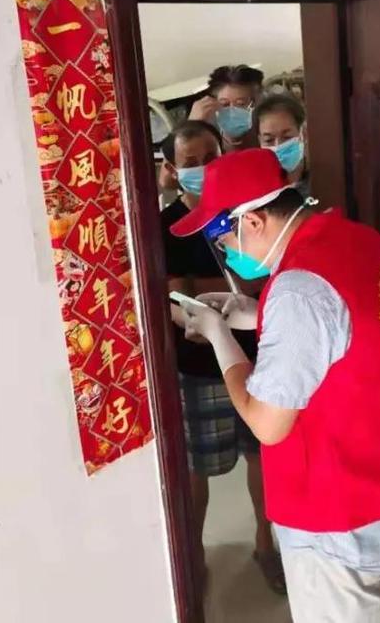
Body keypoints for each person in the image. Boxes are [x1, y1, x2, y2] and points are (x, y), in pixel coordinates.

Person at [170, 148, 380, 623]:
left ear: (253, 221)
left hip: (339, 520)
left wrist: (217, 337)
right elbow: (345, 333)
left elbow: (267, 423)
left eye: (222, 237)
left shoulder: (299, 290)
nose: (226, 251)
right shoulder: (358, 240)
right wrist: (257, 315)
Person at [158, 121, 286, 595]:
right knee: (197, 469)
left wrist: (199, 291)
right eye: (190, 163)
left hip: (259, 356)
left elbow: (260, 281)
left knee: (262, 457)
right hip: (199, 368)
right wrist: (212, 294)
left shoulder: (242, 212)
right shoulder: (166, 226)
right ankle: (191, 558)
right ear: (172, 169)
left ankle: (265, 545)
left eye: (210, 157)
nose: (203, 169)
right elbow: (174, 297)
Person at [188, 65, 265, 151]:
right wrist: (191, 126)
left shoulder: (266, 138)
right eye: (225, 104)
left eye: (240, 104)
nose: (232, 111)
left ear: (255, 102)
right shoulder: (210, 144)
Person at [254, 93, 309, 197]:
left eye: (287, 137)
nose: (278, 146)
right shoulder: (256, 192)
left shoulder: (321, 182)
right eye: (269, 140)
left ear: (303, 134)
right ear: (259, 141)